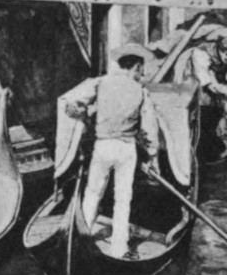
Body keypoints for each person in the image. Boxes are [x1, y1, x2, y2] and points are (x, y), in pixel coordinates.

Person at [62, 44, 160, 259]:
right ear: (136, 66)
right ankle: (119, 249)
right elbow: (149, 129)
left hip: (103, 145)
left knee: (92, 194)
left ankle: (81, 241)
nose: (142, 73)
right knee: (123, 199)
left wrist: (85, 117)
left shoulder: (99, 83)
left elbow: (71, 104)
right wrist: (152, 155)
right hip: (126, 148)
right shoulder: (141, 91)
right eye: (141, 68)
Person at [186, 35, 227, 157]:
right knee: (203, 120)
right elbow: (208, 83)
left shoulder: (224, 60)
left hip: (217, 96)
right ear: (220, 50)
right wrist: (222, 89)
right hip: (198, 88)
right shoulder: (202, 54)